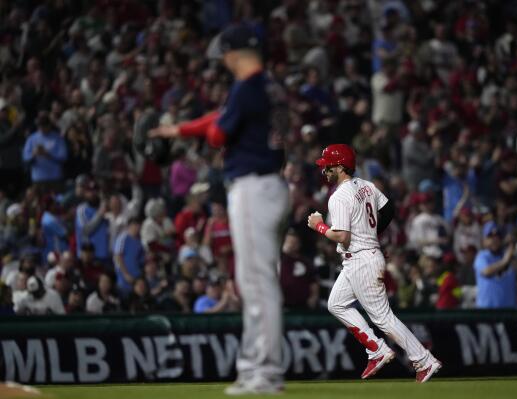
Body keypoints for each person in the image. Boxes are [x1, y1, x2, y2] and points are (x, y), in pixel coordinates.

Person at [149, 24, 289, 395]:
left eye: (226, 54)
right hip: (269, 184)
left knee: (257, 285)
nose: (223, 61)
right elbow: (220, 118)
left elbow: (219, 133)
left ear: (237, 53)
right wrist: (179, 130)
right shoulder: (268, 87)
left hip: (253, 186)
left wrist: (199, 133)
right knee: (253, 283)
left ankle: (266, 372)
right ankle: (254, 368)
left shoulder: (247, 87)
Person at [307, 144, 441, 383]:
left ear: (340, 166)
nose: (324, 170)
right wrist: (372, 235)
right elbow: (388, 210)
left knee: (383, 318)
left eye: (328, 166)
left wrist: (318, 225)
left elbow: (342, 237)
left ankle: (424, 360)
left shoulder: (338, 196)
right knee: (336, 304)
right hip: (361, 258)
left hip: (360, 259)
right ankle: (376, 350)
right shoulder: (367, 185)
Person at [474, 221, 517, 308]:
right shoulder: (482, 256)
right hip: (487, 312)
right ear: (484, 241)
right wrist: (505, 260)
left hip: (509, 312)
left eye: (497, 236)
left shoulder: (508, 255)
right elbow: (486, 272)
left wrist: (511, 253)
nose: (494, 239)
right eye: (490, 236)